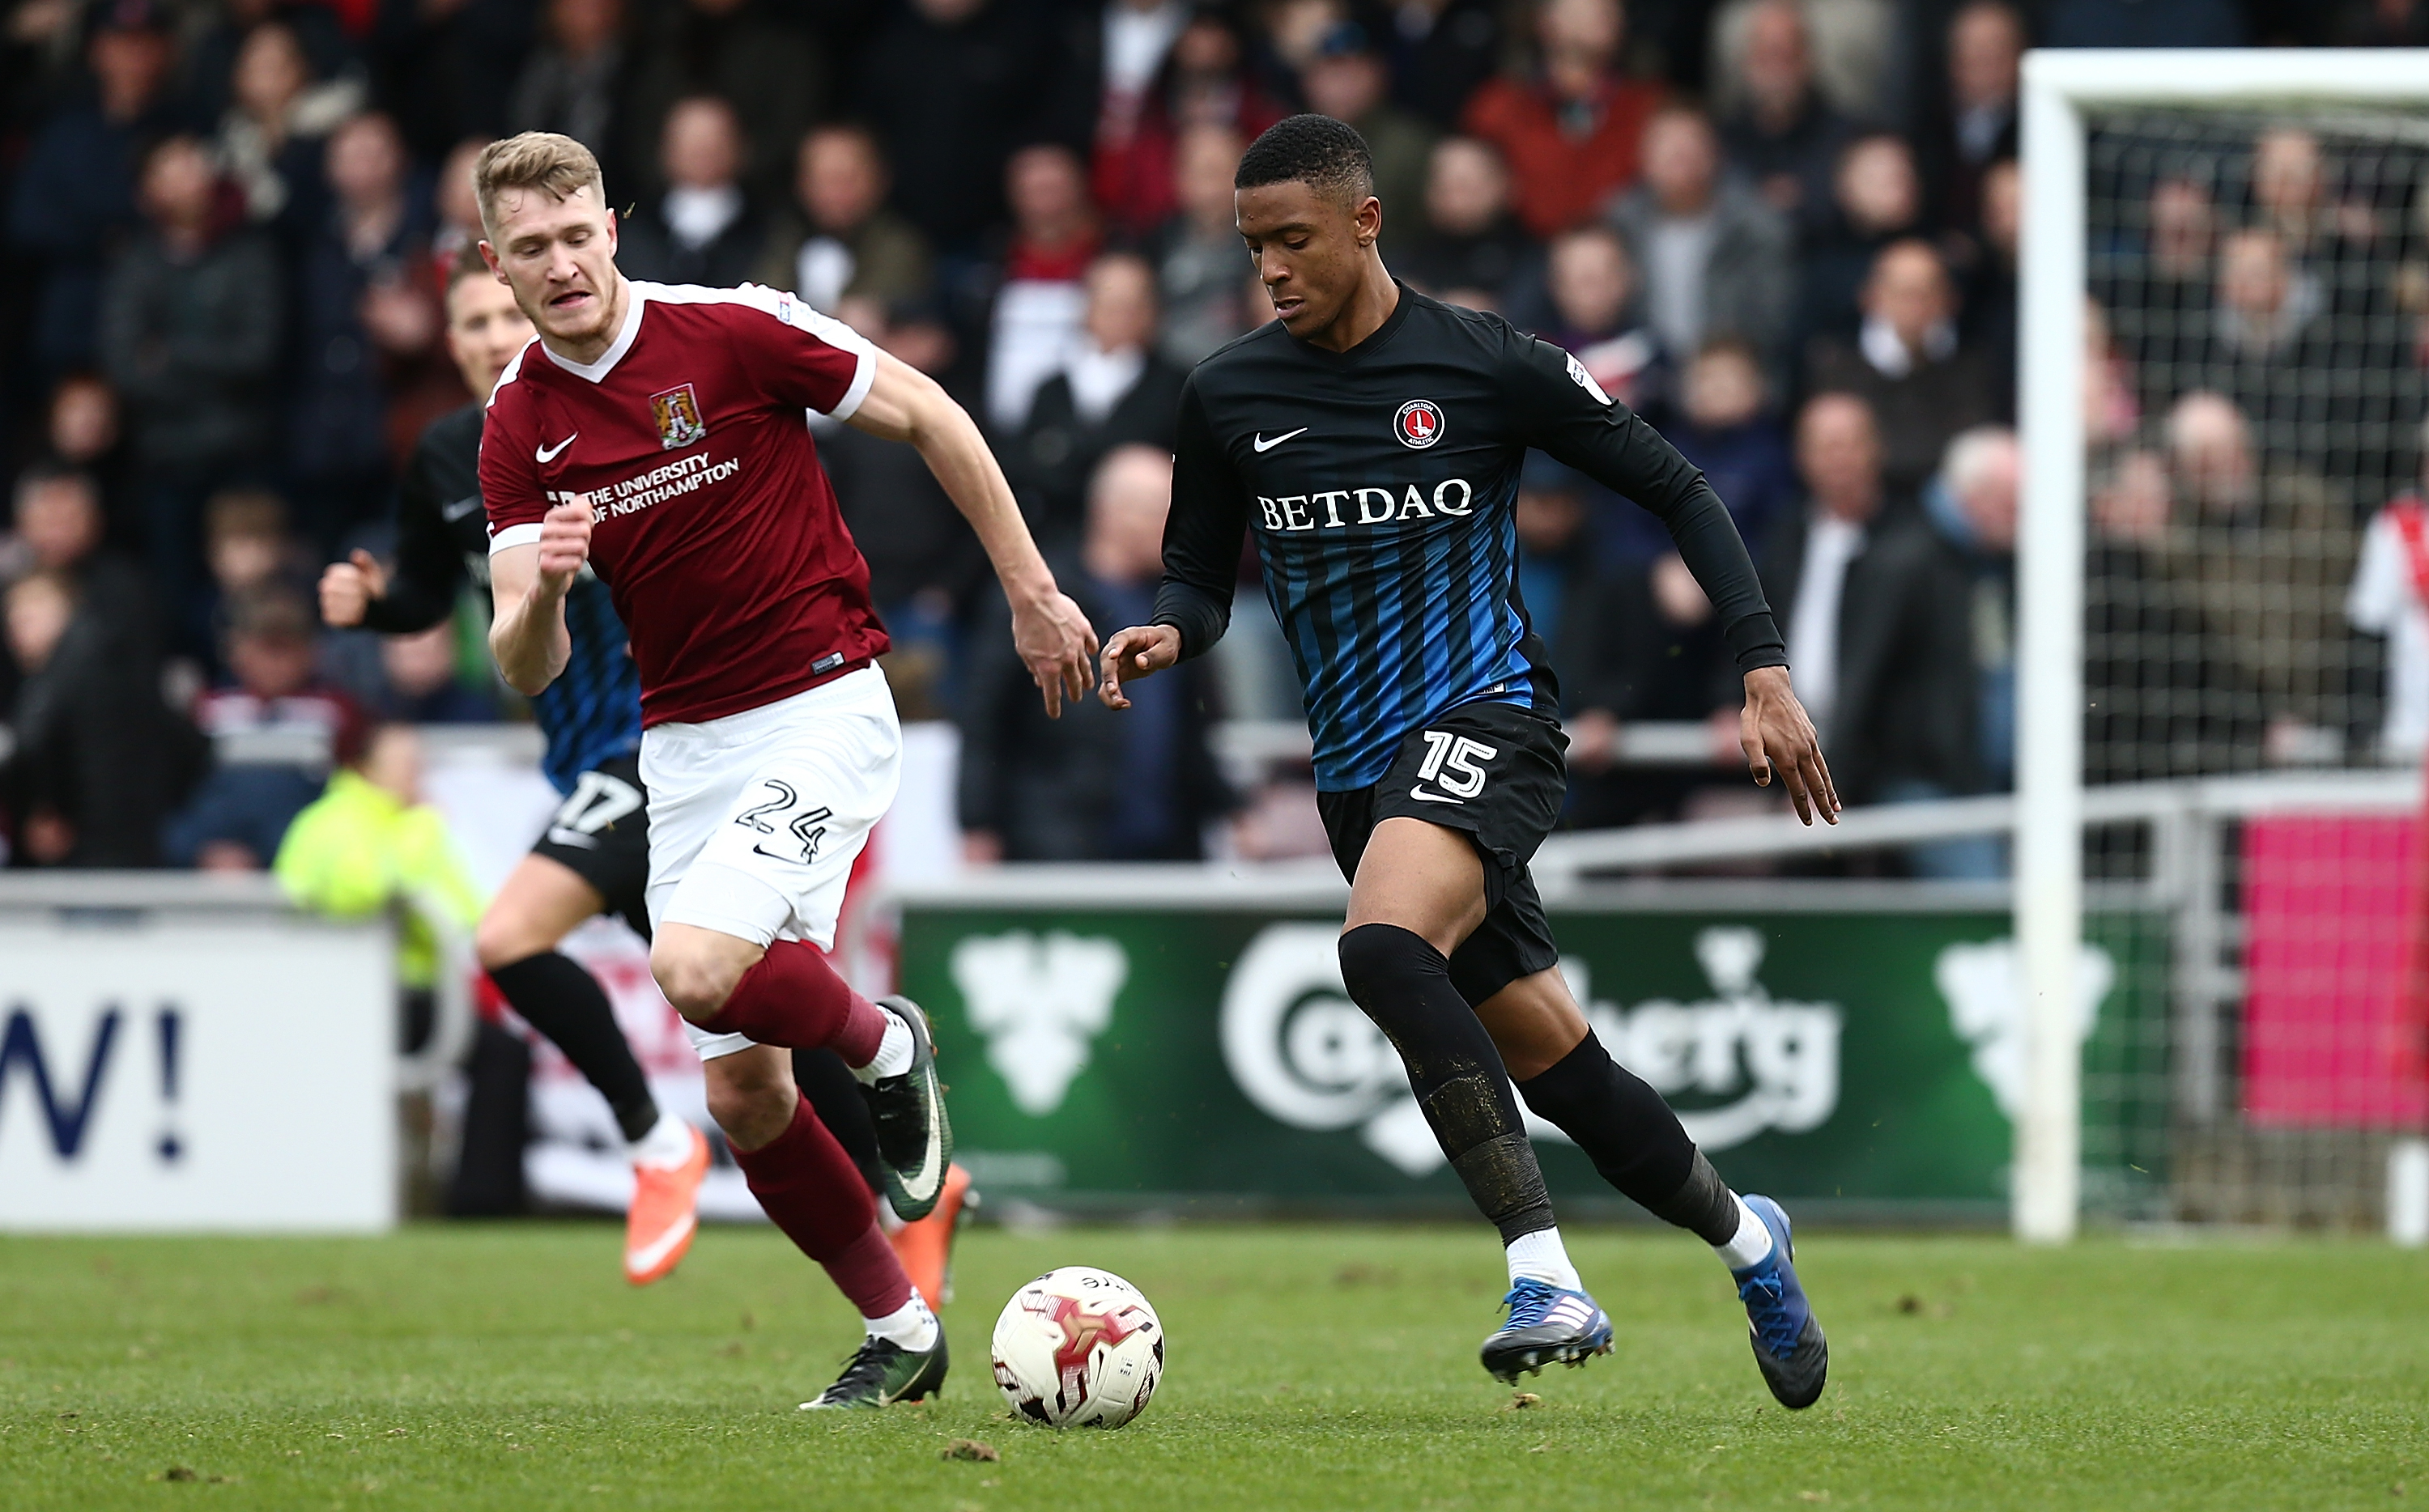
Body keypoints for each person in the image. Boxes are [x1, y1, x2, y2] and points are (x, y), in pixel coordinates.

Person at [1096, 114, 1833, 1404]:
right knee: (1566, 1072)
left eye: (1294, 239)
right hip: (1360, 777)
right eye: (1254, 245)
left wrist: (1762, 664)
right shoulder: (1227, 394)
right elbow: (1199, 576)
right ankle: (1750, 1240)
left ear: (1366, 221)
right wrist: (1171, 630)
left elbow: (1679, 487)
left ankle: (1545, 1274)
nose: (1272, 268)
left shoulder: (1484, 362)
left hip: (1490, 720)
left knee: (1382, 951)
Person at [471, 132, 1095, 1408]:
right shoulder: (518, 420)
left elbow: (931, 413)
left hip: (821, 703)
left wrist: (1031, 593)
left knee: (695, 967)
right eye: (531, 248)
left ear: (612, 228)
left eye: (578, 235)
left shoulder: (733, 329)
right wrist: (548, 592)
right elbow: (523, 663)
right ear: (497, 262)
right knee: (747, 1096)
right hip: (685, 749)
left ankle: (884, 1042)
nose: (562, 264)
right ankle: (902, 1334)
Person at [319, 242, 705, 1284]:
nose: (495, 336)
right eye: (473, 323)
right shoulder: (452, 454)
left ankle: (655, 1141)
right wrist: (375, 603)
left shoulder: (613, 415)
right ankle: (900, 1141)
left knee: (509, 936)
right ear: (450, 343)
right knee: (740, 1011)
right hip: (580, 756)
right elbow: (427, 586)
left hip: (658, 742)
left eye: (506, 315)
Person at [961, 445, 1232, 862]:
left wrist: (1230, 806)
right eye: (1168, 513)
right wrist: (978, 823)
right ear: (1117, 513)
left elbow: (1191, 725)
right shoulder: (1040, 602)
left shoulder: (1176, 607)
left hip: (1168, 848)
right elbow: (985, 714)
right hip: (1058, 842)